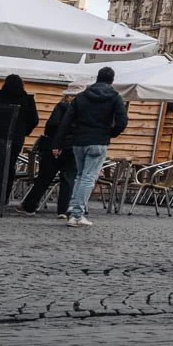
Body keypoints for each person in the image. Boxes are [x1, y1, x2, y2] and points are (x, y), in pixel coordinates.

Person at [57, 66, 128, 228]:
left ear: (97, 78)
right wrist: (110, 133)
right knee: (88, 178)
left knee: (80, 176)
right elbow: (122, 121)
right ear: (112, 80)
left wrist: (60, 141)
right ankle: (77, 214)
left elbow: (66, 120)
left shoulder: (81, 97)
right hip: (98, 141)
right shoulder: (115, 97)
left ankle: (72, 208)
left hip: (78, 142)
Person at [0, 74, 38, 216]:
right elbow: (34, 120)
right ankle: (2, 199)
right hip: (15, 139)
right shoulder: (27, 100)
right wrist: (23, 132)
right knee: (9, 167)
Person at [19, 95, 74, 218]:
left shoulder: (61, 107)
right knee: (68, 180)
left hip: (56, 145)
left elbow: (52, 125)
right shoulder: (83, 109)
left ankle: (30, 206)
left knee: (44, 178)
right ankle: (63, 210)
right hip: (72, 148)